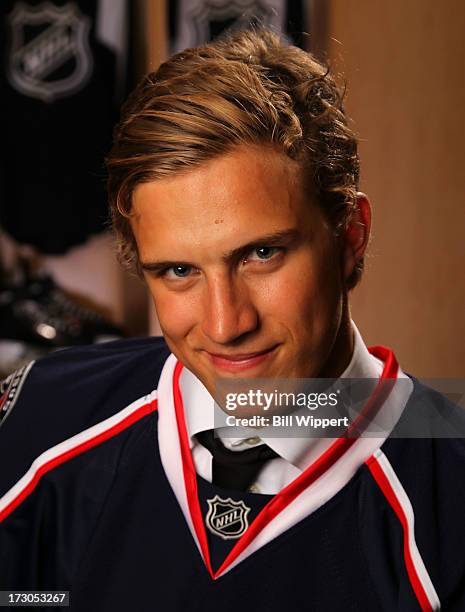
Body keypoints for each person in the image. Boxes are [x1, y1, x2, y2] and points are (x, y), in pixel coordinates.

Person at [0, 28, 463, 612]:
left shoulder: (449, 491)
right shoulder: (46, 417)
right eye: (177, 271)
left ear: (350, 236)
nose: (224, 324)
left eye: (261, 254)